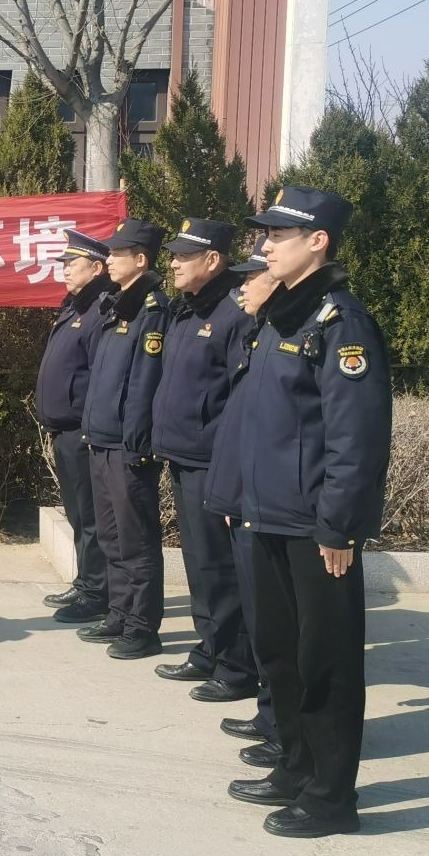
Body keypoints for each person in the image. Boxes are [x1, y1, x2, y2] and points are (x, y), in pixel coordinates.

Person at [225, 187, 392, 838]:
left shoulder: (339, 323)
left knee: (326, 662)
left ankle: (330, 798)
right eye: (265, 234)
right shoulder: (282, 319)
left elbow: (357, 435)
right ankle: (294, 769)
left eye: (278, 235)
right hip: (267, 515)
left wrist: (340, 524)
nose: (265, 246)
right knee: (280, 654)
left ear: (317, 242)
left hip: (314, 527)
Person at [150, 219, 258, 703]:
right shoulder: (187, 310)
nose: (173, 263)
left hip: (213, 461)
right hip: (183, 456)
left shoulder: (235, 313)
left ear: (212, 260)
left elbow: (241, 397)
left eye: (183, 256)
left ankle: (237, 665)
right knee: (198, 561)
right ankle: (210, 646)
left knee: (221, 566)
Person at [205, 242, 284, 761]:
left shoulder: (297, 334)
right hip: (246, 495)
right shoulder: (261, 334)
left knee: (279, 623)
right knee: (261, 616)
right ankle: (270, 712)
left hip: (276, 504)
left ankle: (284, 727)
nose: (241, 289)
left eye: (251, 278)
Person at [78, 219, 169, 659]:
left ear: (141, 259)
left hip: (126, 446)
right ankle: (119, 613)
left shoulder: (151, 309)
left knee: (136, 540)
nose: (109, 259)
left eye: (117, 253)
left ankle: (142, 626)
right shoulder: (119, 305)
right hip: (102, 439)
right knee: (111, 537)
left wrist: (136, 444)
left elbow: (144, 384)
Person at [36, 229, 116, 624]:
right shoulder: (75, 306)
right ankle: (86, 581)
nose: (65, 270)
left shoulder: (99, 310)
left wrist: (88, 426)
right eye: (64, 264)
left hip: (82, 431)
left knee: (91, 516)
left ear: (97, 268)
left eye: (73, 264)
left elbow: (101, 377)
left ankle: (96, 593)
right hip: (65, 432)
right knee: (78, 515)